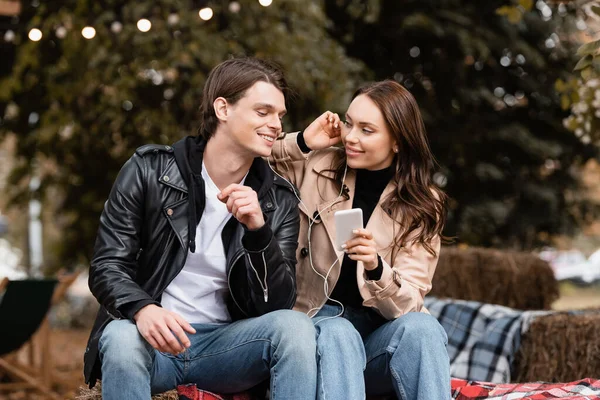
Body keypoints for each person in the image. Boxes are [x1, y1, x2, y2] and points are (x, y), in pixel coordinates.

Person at [83, 58, 317, 400]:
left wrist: (258, 233)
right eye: (263, 112)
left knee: (295, 328)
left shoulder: (277, 199)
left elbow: (276, 304)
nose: (276, 126)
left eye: (279, 116)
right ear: (222, 108)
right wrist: (143, 308)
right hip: (154, 344)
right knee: (119, 337)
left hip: (228, 348)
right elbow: (107, 264)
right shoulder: (149, 171)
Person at [269, 80, 451, 400]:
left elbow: (410, 302)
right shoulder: (318, 165)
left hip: (377, 339)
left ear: (397, 141)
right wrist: (303, 141)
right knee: (338, 331)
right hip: (318, 325)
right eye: (349, 123)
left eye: (367, 130)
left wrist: (376, 268)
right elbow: (251, 155)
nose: (350, 137)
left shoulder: (424, 203)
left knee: (424, 329)